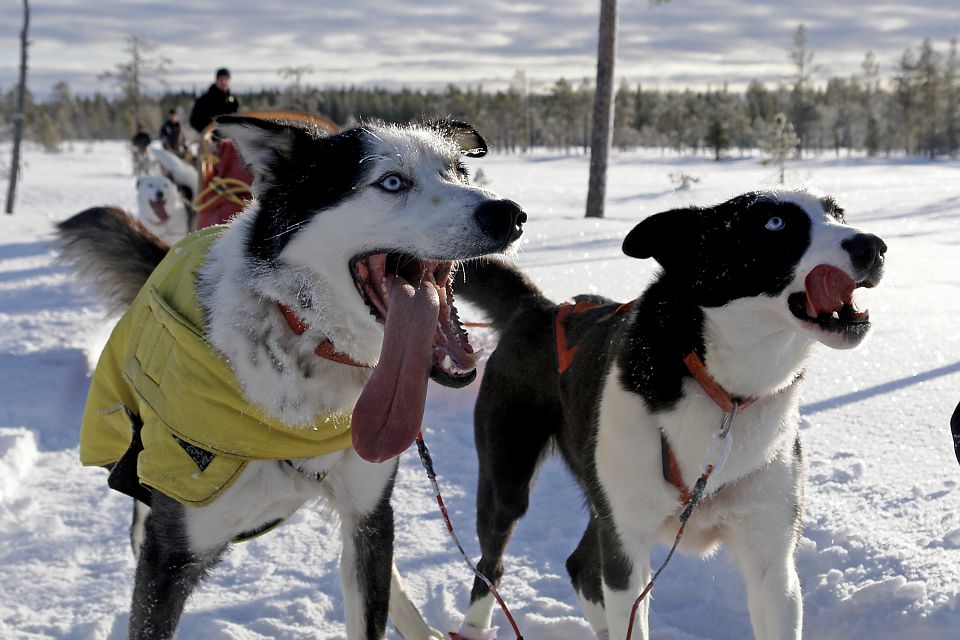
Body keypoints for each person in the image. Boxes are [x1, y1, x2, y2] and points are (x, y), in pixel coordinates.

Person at [189, 68, 239, 133]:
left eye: (226, 79)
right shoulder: (204, 100)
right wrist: (207, 132)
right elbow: (193, 121)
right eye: (221, 79)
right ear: (216, 80)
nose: (223, 81)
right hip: (208, 139)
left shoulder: (233, 101)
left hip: (229, 138)